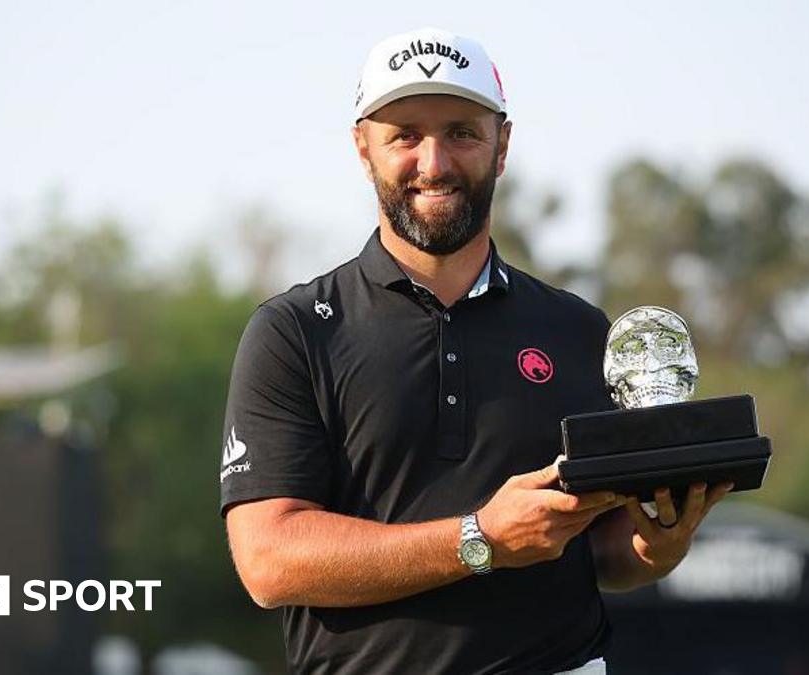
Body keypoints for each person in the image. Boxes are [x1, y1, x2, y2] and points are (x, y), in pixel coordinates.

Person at [219, 27, 733, 675]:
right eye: (405, 134)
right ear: (363, 147)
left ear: (502, 144)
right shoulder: (295, 331)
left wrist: (660, 545)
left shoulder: (577, 329)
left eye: (461, 131)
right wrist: (481, 538)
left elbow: (608, 553)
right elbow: (270, 559)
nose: (434, 162)